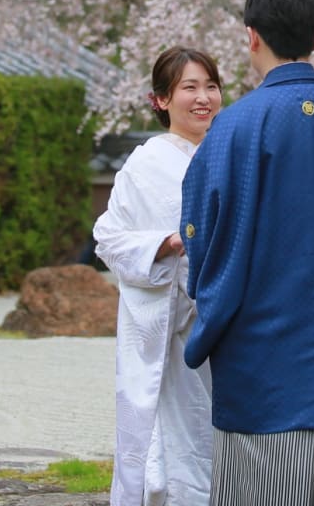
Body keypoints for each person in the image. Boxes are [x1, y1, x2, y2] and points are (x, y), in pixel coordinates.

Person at [180, 0, 314, 506]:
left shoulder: (233, 127)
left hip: (261, 343)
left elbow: (203, 235)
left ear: (251, 37)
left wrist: (213, 307)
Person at [94, 45, 224, 506]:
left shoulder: (230, 155)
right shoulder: (146, 163)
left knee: (214, 436)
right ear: (162, 100)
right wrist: (164, 245)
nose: (203, 97)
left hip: (223, 326)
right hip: (165, 329)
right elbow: (108, 237)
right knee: (166, 441)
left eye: (211, 86)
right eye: (189, 87)